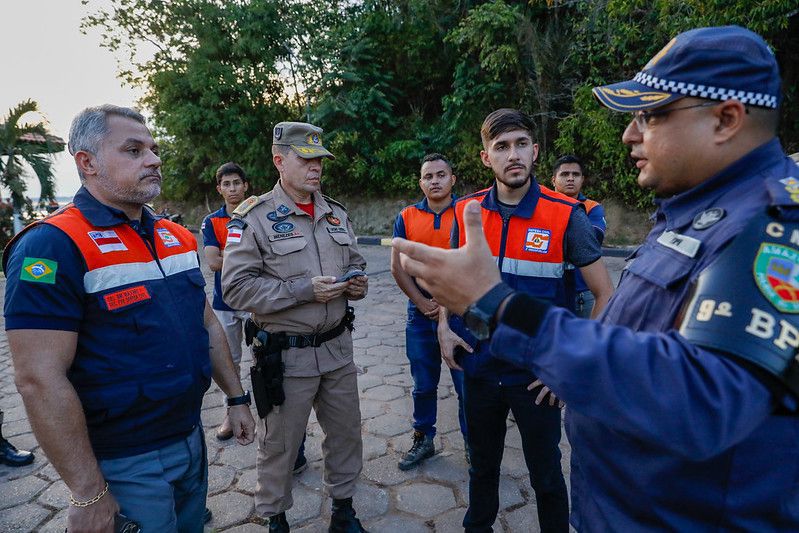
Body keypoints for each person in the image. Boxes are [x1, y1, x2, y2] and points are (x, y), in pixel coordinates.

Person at [394, 26, 799, 531]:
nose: (630, 134)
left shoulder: (774, 229)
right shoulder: (696, 211)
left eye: (650, 115)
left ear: (726, 119)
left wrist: (501, 307)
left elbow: (702, 400)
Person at [4, 104, 255, 532]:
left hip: (190, 437)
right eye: (134, 150)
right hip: (124, 461)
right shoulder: (50, 246)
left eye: (153, 149)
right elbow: (38, 378)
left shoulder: (175, 236)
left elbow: (207, 323)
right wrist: (88, 492)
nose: (154, 159)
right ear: (87, 162)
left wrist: (235, 398)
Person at [435, 108, 614, 533]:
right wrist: (443, 326)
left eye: (520, 145)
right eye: (501, 147)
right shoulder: (468, 211)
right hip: (478, 368)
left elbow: (606, 294)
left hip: (537, 378)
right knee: (481, 469)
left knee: (547, 478)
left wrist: (569, 363)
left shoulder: (566, 215)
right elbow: (452, 278)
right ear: (486, 158)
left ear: (535, 152)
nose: (512, 155)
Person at [221, 121, 368, 532]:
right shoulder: (253, 218)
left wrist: (356, 282)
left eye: (320, 160)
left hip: (338, 350)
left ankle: (343, 508)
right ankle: (276, 516)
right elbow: (235, 289)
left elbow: (354, 260)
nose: (316, 168)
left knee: (345, 434)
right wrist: (303, 290)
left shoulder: (335, 212)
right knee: (281, 444)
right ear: (279, 160)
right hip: (286, 356)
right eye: (306, 159)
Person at [202, 162, 310, 470]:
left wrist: (244, 261)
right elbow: (213, 262)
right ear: (219, 189)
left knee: (265, 360)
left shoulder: (257, 214)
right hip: (224, 303)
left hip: (256, 302)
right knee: (229, 359)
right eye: (227, 184)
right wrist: (252, 260)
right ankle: (231, 412)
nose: (233, 188)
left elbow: (267, 260)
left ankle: (274, 422)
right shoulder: (213, 221)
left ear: (246, 186)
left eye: (238, 182)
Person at [390, 153, 467, 470]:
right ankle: (423, 439)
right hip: (420, 313)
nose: (434, 181)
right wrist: (422, 303)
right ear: (420, 182)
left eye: (441, 175)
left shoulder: (466, 213)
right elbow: (397, 268)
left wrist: (446, 308)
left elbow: (468, 269)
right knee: (423, 384)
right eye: (428, 176)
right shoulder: (406, 216)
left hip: (462, 313)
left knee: (467, 386)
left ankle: (475, 445)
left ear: (452, 179)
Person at [550, 155, 608, 317]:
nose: (570, 179)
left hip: (584, 292)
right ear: (553, 180)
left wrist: (553, 236)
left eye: (575, 175)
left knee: (585, 340)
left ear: (582, 179)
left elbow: (592, 239)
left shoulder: (592, 207)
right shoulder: (541, 206)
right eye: (564, 174)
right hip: (548, 290)